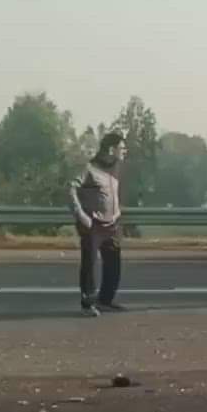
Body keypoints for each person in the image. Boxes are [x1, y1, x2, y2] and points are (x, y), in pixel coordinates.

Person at [67, 131, 128, 317]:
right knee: (90, 265)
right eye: (122, 147)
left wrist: (117, 213)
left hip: (112, 223)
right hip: (93, 224)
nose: (125, 150)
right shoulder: (89, 169)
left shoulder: (115, 168)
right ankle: (88, 304)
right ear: (111, 149)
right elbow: (71, 188)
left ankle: (105, 301)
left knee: (114, 263)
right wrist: (81, 214)